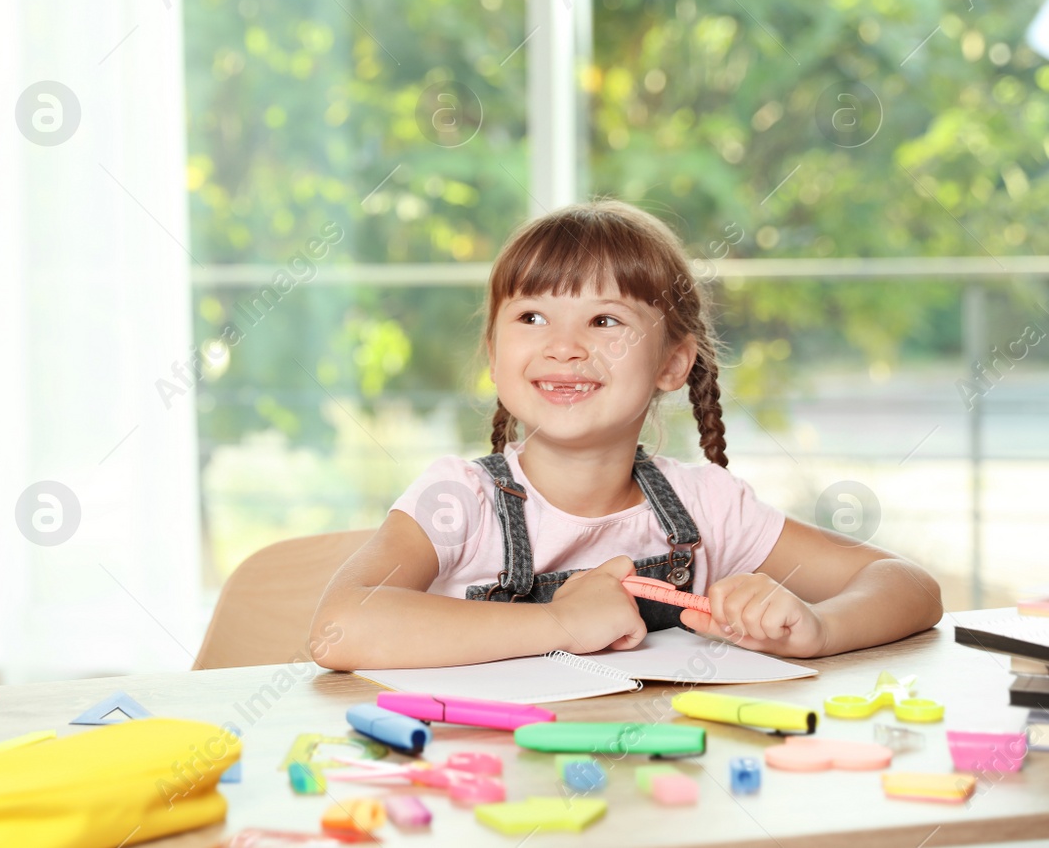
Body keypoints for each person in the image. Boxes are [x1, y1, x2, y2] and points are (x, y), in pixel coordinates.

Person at [311, 199, 942, 670]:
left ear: (672, 363)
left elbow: (908, 585)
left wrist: (814, 627)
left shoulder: (707, 508)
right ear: (493, 349)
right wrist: (560, 622)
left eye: (604, 319)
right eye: (532, 316)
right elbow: (337, 629)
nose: (563, 346)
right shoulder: (458, 501)